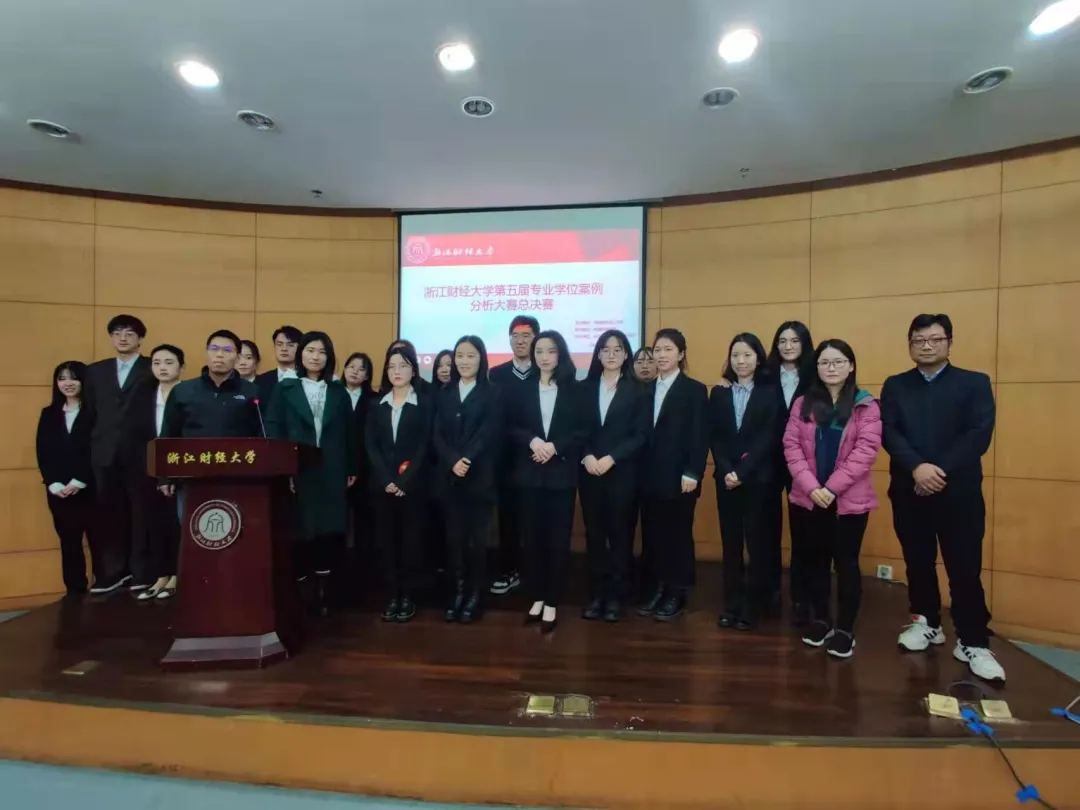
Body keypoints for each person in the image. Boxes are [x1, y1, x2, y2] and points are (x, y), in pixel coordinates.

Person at [882, 314, 1002, 682]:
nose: (927, 346)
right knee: (917, 562)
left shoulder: (974, 383)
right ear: (910, 344)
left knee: (964, 567)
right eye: (919, 340)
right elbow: (889, 432)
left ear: (949, 342)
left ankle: (973, 640)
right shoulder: (896, 385)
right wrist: (917, 468)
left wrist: (936, 472)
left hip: (959, 493)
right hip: (909, 490)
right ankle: (927, 622)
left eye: (935, 339)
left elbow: (978, 435)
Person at [784, 340, 881, 658]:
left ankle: (845, 629)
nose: (831, 368)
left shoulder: (866, 405)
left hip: (848, 502)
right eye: (824, 362)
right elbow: (791, 447)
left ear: (851, 366)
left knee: (847, 564)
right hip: (810, 498)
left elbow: (865, 451)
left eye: (838, 362)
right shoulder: (803, 404)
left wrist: (831, 488)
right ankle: (822, 620)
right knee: (816, 561)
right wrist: (812, 487)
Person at [266, 331, 357, 617]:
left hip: (331, 468)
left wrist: (352, 467)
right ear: (300, 354)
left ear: (329, 357)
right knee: (301, 529)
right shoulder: (285, 389)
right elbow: (274, 429)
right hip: (297, 470)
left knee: (328, 530)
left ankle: (324, 590)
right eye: (310, 350)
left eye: (321, 352)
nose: (315, 357)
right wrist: (283, 469)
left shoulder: (338, 391)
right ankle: (302, 591)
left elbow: (350, 433)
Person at [508, 330, 583, 632]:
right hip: (529, 475)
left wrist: (555, 446)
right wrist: (533, 441)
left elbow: (583, 431)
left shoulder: (574, 389)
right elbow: (511, 426)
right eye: (539, 351)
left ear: (560, 354)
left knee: (557, 541)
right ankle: (536, 597)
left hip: (561, 476)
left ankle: (552, 601)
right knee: (533, 540)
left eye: (550, 351)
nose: (544, 357)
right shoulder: (522, 389)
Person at [710, 333, 781, 631]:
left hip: (758, 479)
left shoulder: (771, 393)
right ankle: (731, 604)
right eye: (736, 355)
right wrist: (728, 470)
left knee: (757, 544)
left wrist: (742, 472)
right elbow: (715, 436)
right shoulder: (719, 393)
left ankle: (753, 606)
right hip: (726, 480)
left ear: (758, 359)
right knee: (731, 544)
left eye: (747, 355)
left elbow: (769, 437)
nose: (741, 361)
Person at [637, 329, 709, 621]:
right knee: (654, 537)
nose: (661, 355)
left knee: (678, 537)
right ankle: (659, 588)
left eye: (668, 349)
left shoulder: (694, 390)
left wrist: (693, 472)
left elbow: (700, 435)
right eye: (657, 350)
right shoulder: (646, 389)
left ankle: (678, 594)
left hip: (681, 478)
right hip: (649, 478)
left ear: (681, 354)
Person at [579, 330, 649, 622]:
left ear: (625, 354)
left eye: (617, 349)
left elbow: (640, 434)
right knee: (595, 537)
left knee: (621, 537)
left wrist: (611, 458)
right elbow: (575, 429)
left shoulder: (638, 390)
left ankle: (616, 597)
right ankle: (597, 595)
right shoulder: (584, 388)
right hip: (589, 472)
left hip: (622, 473)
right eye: (605, 349)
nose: (611, 354)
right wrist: (586, 456)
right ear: (597, 354)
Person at [432, 336, 500, 623]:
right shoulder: (445, 392)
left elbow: (489, 432)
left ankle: (475, 596)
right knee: (454, 541)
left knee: (477, 543)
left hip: (479, 477)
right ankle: (457, 594)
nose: (464, 361)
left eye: (470, 356)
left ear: (481, 358)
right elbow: (436, 433)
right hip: (450, 478)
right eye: (459, 355)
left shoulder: (492, 392)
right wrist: (452, 460)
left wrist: (467, 459)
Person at [84, 314, 152, 594]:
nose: (123, 338)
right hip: (104, 454)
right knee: (108, 515)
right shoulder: (95, 372)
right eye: (117, 333)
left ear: (140, 338)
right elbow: (89, 413)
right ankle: (113, 572)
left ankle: (141, 571)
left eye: (129, 333)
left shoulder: (153, 367)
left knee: (142, 514)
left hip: (141, 453)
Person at [367, 344, 433, 623]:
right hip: (382, 487)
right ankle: (392, 595)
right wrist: (386, 479)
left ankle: (408, 597)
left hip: (413, 487)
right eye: (392, 366)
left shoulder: (424, 404)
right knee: (387, 543)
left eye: (403, 366)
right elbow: (371, 445)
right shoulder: (376, 405)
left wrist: (404, 480)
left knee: (411, 544)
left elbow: (424, 446)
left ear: (413, 370)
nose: (397, 371)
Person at [123, 345, 185, 601]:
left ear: (181, 367)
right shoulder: (143, 396)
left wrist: (171, 474)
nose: (162, 368)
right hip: (147, 470)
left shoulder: (188, 394)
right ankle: (161, 575)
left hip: (180, 471)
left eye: (169, 362)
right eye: (157, 362)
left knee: (177, 525)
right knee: (155, 524)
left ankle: (178, 575)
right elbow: (133, 435)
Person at [488, 315, 540, 596]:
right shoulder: (496, 375)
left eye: (526, 335)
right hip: (505, 459)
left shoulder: (545, 372)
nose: (520, 341)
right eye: (515, 336)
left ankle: (535, 575)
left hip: (538, 458)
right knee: (508, 520)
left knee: (535, 520)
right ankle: (509, 571)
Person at [36, 361, 98, 596]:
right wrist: (53, 483)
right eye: (62, 378)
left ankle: (103, 588)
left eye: (73, 378)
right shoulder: (49, 414)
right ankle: (75, 591)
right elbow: (43, 450)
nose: (68, 383)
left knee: (99, 540)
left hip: (90, 488)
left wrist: (80, 480)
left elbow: (97, 450)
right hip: (59, 491)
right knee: (69, 542)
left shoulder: (95, 412)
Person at [158, 331, 262, 441]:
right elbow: (167, 438)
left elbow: (260, 436)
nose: (219, 355)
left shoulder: (252, 391)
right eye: (214, 349)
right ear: (206, 353)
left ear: (238, 358)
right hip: (192, 452)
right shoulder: (182, 391)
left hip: (236, 452)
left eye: (227, 350)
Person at [340, 351, 374, 583]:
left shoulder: (373, 400)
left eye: (361, 369)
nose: (355, 371)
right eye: (351, 366)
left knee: (364, 523)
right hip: (337, 466)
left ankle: (363, 573)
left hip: (366, 468)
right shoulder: (333, 394)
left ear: (367, 376)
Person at [255, 325, 301, 407]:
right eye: (279, 344)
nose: (284, 349)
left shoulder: (307, 379)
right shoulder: (261, 380)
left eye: (290, 345)